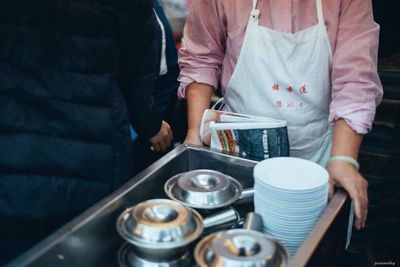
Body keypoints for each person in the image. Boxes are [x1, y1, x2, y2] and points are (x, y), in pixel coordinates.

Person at [178, 0, 383, 230]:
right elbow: (202, 56)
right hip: (235, 155)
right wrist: (195, 133)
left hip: (314, 158)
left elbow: (355, 80)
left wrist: (343, 160)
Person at [0, 0, 172, 263]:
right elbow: (137, 73)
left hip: (13, 148)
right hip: (93, 150)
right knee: (87, 251)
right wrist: (151, 125)